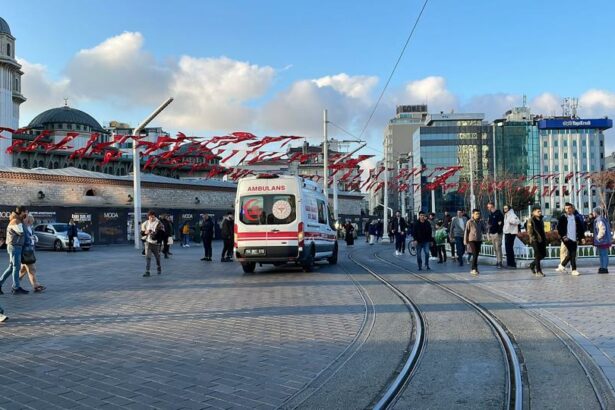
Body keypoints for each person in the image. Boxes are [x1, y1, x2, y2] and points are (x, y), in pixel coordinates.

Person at [0, 207, 29, 294]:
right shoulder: (16, 221)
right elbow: (21, 233)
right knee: (16, 267)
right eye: (26, 213)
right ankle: (16, 288)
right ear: (22, 212)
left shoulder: (18, 220)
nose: (26, 215)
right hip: (14, 246)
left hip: (15, 246)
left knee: (12, 267)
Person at [19, 214, 46, 292]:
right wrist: (31, 239)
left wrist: (34, 237)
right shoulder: (23, 227)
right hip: (25, 251)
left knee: (23, 270)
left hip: (30, 251)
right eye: (31, 220)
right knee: (32, 269)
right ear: (28, 220)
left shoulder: (30, 227)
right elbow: (23, 239)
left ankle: (16, 283)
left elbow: (32, 235)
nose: (32, 222)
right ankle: (36, 286)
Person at [557, 202, 585, 276]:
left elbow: (581, 229)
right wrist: (563, 236)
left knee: (571, 254)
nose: (568, 210)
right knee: (573, 253)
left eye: (569, 208)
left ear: (572, 209)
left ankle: (562, 265)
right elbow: (559, 228)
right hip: (566, 239)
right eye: (566, 208)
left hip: (574, 238)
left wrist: (582, 237)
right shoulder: (563, 217)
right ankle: (574, 270)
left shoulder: (576, 217)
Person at [464, 209, 487, 276]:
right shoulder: (469, 222)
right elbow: (466, 231)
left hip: (479, 240)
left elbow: (484, 230)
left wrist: (486, 226)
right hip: (472, 240)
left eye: (479, 214)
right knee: (474, 254)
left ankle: (475, 268)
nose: (478, 215)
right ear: (473, 214)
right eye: (476, 214)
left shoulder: (481, 221)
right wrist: (465, 241)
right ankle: (473, 268)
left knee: (476, 254)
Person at [141, 211, 164, 277]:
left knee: (157, 257)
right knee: (148, 257)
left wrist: (154, 234)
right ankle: (147, 271)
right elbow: (142, 233)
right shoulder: (146, 223)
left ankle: (158, 267)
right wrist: (146, 232)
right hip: (148, 242)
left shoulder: (159, 223)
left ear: (155, 216)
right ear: (148, 217)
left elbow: (162, 233)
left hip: (156, 244)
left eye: (153, 217)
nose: (151, 218)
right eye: (150, 217)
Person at [527, 206, 546, 277]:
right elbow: (529, 231)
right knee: (537, 255)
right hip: (535, 240)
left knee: (543, 255)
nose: (540, 212)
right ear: (533, 212)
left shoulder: (541, 219)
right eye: (538, 211)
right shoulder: (531, 220)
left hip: (542, 239)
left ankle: (532, 265)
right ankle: (538, 271)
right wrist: (533, 238)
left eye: (540, 211)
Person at [592, 207, 612, 274]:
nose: (593, 213)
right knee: (602, 254)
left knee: (603, 254)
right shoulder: (602, 219)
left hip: (602, 241)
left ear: (596, 212)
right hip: (602, 241)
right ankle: (602, 267)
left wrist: (598, 237)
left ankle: (604, 268)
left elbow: (602, 230)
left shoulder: (599, 220)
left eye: (593, 212)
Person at [487, 201, 504, 269]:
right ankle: (498, 260)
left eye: (488, 207)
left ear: (492, 206)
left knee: (498, 248)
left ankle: (500, 262)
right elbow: (489, 224)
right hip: (492, 233)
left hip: (497, 233)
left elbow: (501, 224)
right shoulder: (490, 214)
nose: (488, 208)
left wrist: (498, 232)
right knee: (495, 248)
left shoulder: (498, 213)